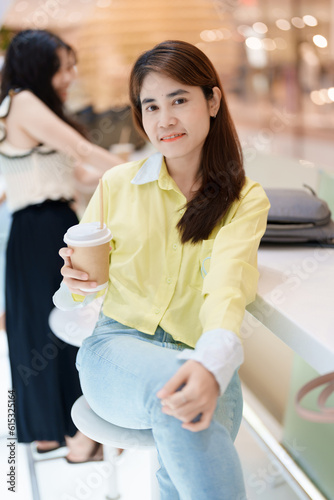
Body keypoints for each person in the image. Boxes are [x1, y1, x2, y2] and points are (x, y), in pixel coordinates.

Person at [57, 40, 270, 498]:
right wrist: (74, 284)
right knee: (176, 398)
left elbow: (227, 286)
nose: (164, 119)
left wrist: (212, 364)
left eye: (179, 100)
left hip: (203, 355)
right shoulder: (117, 185)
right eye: (150, 106)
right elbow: (77, 291)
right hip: (118, 348)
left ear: (212, 101)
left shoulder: (245, 199)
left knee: (181, 465)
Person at [0, 29, 123, 462]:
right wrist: (144, 172)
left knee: (45, 328)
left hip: (42, 226)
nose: (71, 75)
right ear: (39, 66)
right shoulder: (24, 101)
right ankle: (77, 435)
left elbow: (73, 175)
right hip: (44, 229)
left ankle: (55, 433)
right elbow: (82, 150)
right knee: (66, 327)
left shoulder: (23, 107)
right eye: (64, 66)